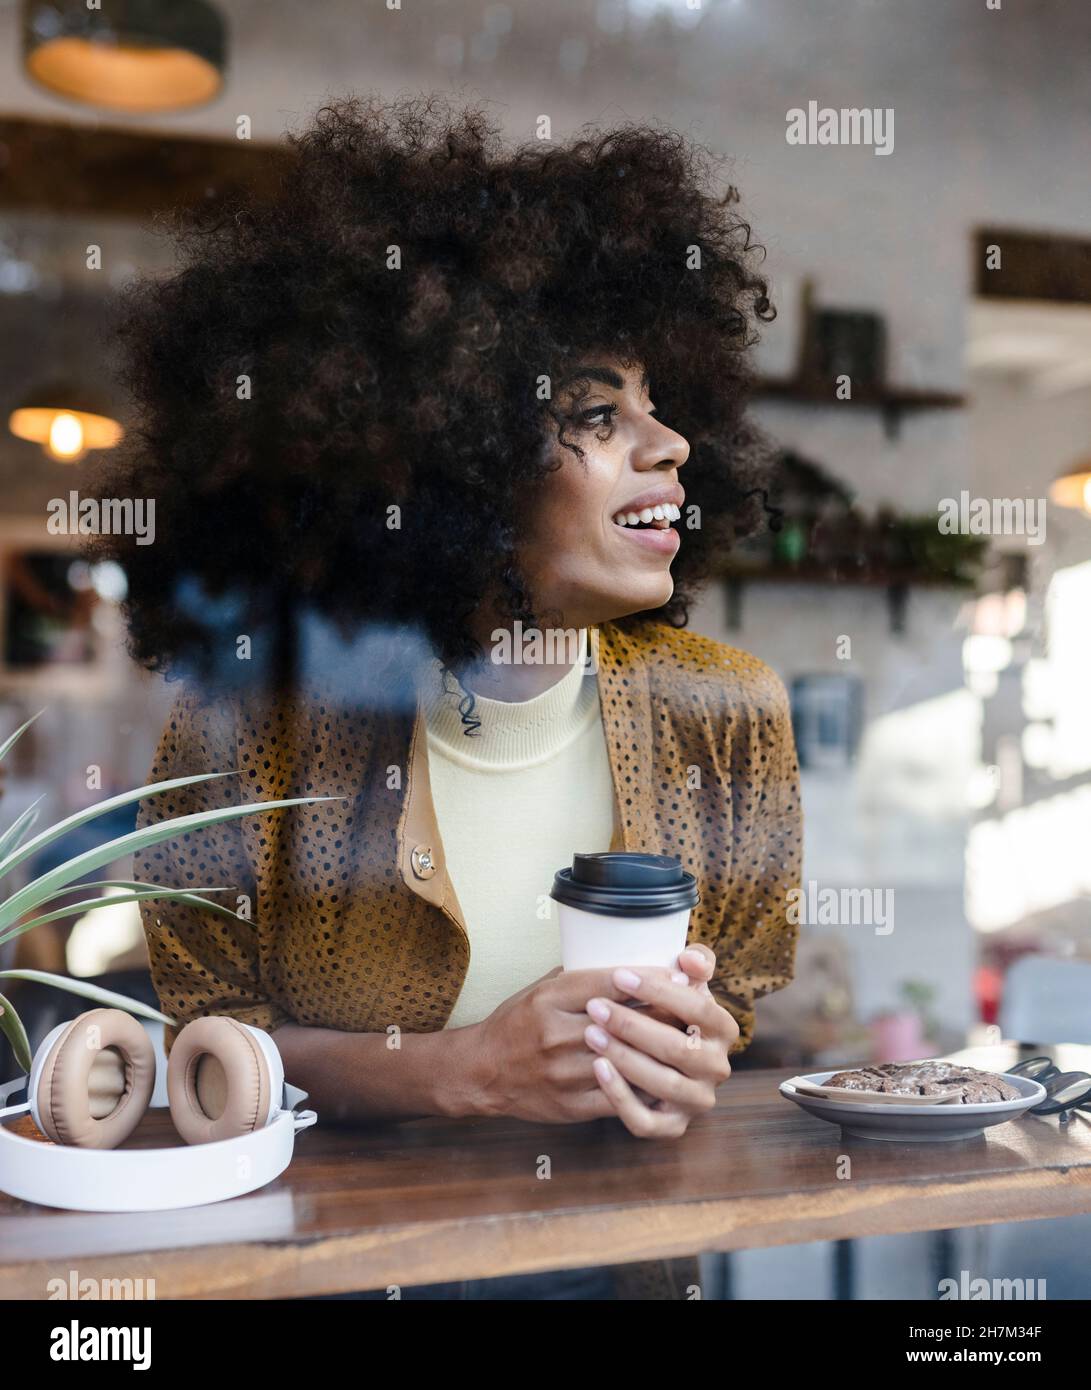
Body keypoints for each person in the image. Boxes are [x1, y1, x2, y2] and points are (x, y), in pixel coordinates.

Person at [92, 96, 802, 1298]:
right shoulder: (249, 727)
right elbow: (207, 1042)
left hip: (619, 1266)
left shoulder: (726, 716)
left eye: (657, 404)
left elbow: (728, 1009)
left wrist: (693, 1056)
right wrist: (462, 1070)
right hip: (317, 1268)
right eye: (595, 413)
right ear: (441, 463)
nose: (670, 441)